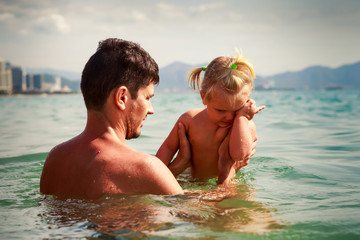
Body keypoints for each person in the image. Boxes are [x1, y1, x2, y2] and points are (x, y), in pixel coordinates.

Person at [40, 38, 191, 199]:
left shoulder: (55, 160)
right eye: (147, 98)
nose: (151, 110)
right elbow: (201, 215)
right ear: (122, 97)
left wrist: (169, 172)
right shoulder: (146, 168)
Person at [156, 50, 264, 185]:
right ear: (203, 97)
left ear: (246, 101)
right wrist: (154, 172)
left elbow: (239, 155)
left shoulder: (245, 125)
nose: (229, 117)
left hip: (229, 183)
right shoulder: (190, 120)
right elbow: (168, 147)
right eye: (220, 110)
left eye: (236, 110)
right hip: (191, 181)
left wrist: (242, 117)